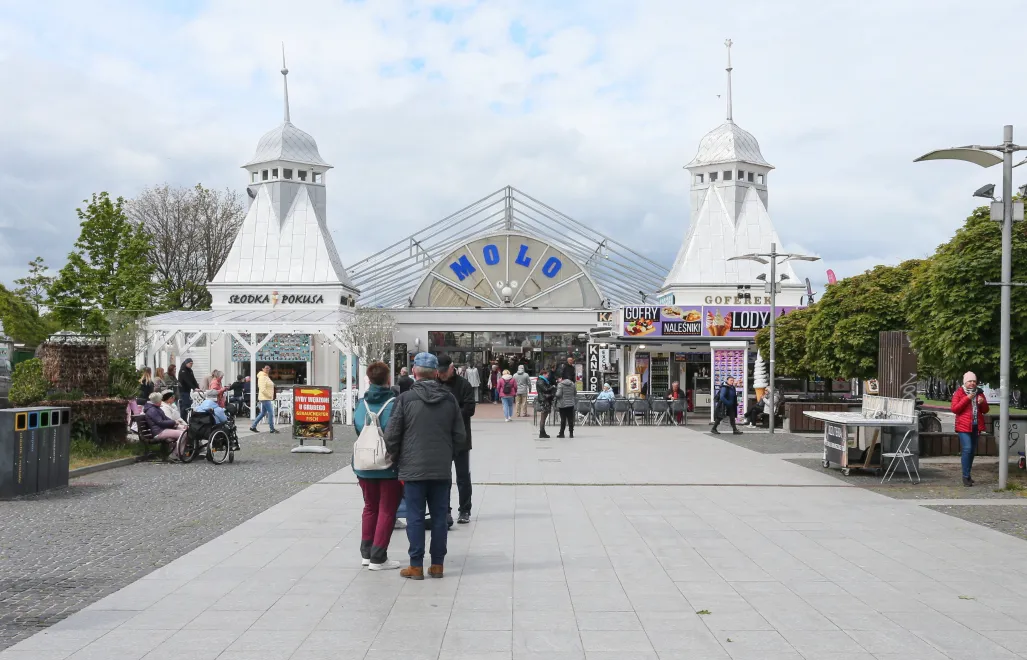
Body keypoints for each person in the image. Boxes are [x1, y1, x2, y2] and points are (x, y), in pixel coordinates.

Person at [384, 352, 466, 580]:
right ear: (437, 373)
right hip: (440, 469)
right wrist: (446, 454)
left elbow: (391, 435)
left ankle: (416, 565)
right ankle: (438, 564)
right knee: (440, 516)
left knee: (415, 516)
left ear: (414, 372)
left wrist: (398, 457)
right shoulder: (449, 399)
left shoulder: (405, 399)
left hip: (412, 469)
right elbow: (460, 436)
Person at [353, 361, 403, 570]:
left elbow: (357, 427)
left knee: (370, 507)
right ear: (388, 379)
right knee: (387, 509)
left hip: (364, 464)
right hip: (388, 465)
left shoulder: (361, 404)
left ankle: (366, 553)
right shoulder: (394, 403)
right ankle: (378, 556)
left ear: (369, 379)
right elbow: (397, 433)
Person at [437, 354, 475, 525]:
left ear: (452, 368)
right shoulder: (434, 384)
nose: (442, 375)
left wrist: (448, 412)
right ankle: (445, 510)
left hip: (460, 438)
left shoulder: (464, 385)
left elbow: (470, 409)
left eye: (445, 371)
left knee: (462, 476)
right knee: (443, 477)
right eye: (440, 372)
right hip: (440, 438)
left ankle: (464, 509)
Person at [952, 371, 990, 487]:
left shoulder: (979, 393)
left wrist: (982, 403)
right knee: (967, 449)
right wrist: (967, 398)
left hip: (975, 426)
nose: (972, 383)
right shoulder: (959, 393)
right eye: (970, 381)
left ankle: (968, 475)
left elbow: (985, 410)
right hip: (963, 426)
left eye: (974, 381)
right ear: (965, 382)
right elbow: (955, 409)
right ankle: (965, 476)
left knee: (972, 451)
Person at [143, 391, 187, 460]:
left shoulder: (156, 408)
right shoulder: (152, 410)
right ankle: (175, 454)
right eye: (160, 399)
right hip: (159, 432)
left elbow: (166, 419)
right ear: (157, 401)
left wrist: (175, 422)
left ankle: (178, 453)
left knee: (185, 431)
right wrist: (173, 422)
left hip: (162, 430)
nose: (161, 401)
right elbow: (161, 422)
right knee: (183, 434)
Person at [249, 365, 278, 434]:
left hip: (265, 397)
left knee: (263, 413)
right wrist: (269, 395)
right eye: (266, 368)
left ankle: (253, 426)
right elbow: (262, 389)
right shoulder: (262, 377)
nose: (268, 369)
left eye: (269, 368)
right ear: (262, 369)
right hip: (265, 398)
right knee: (271, 413)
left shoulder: (266, 376)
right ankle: (272, 429)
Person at [535, 368, 555, 439]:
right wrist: (552, 387)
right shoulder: (541, 381)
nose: (547, 376)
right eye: (547, 374)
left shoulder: (543, 380)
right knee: (543, 416)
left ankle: (543, 432)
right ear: (543, 374)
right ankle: (542, 432)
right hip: (544, 399)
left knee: (544, 416)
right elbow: (545, 389)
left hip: (544, 399)